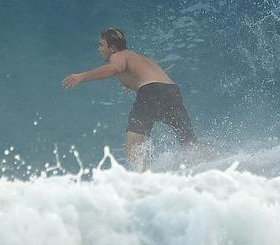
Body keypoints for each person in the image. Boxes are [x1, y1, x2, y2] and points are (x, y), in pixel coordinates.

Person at [62, 28, 196, 169]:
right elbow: (149, 80)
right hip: (171, 91)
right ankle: (216, 164)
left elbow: (115, 68)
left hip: (150, 91)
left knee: (133, 145)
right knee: (189, 142)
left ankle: (140, 181)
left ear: (112, 48)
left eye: (102, 45)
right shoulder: (139, 58)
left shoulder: (118, 56)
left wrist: (81, 77)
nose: (99, 49)